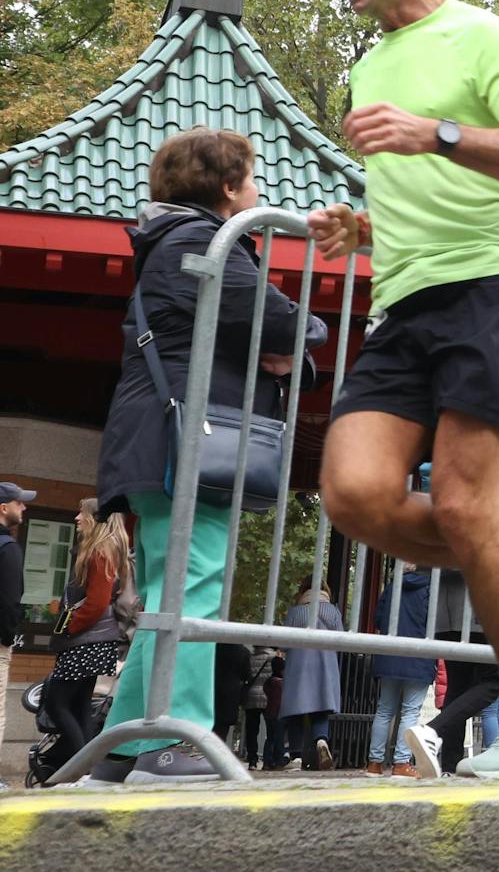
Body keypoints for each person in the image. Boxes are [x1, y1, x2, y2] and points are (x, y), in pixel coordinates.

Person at [309, 0, 499, 782]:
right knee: (352, 492)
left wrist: (435, 131)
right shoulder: (368, 67)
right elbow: (416, 200)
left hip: (489, 294)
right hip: (404, 303)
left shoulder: (480, 34)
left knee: (466, 505)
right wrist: (364, 229)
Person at [91, 128, 324, 785]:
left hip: (162, 437)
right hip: (186, 441)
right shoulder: (202, 242)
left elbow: (277, 335)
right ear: (227, 187)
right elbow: (288, 323)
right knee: (191, 588)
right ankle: (176, 738)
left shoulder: (170, 244)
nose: (257, 190)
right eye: (250, 177)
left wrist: (288, 348)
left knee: (176, 588)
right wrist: (296, 346)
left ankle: (120, 748)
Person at [405, 473, 499, 777]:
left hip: (444, 612)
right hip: (484, 604)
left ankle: (444, 764)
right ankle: (432, 731)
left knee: (458, 687)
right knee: (494, 681)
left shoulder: (442, 489)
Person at [41, 499, 131, 778]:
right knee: (79, 707)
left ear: (96, 519)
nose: (77, 517)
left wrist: (69, 627)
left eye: (82, 513)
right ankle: (84, 769)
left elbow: (95, 603)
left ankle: (81, 769)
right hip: (96, 642)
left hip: (87, 641)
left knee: (56, 702)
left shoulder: (100, 552)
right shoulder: (106, 550)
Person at [368, 565, 438, 777]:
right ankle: (401, 763)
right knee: (410, 711)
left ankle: (374, 763)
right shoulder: (431, 588)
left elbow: (378, 619)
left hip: (390, 654)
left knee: (384, 710)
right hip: (419, 655)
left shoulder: (392, 586)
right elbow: (433, 622)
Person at [280, 576, 342, 771]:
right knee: (321, 708)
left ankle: (296, 756)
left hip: (298, 666)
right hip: (325, 664)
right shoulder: (332, 611)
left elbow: (282, 644)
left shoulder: (295, 612)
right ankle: (321, 740)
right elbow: (341, 638)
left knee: (296, 711)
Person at [0, 482, 30, 780]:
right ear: (4, 508)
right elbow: (9, 601)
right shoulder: (8, 548)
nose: (24, 508)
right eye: (19, 503)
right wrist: (8, 638)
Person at [240, 647, 274, 771]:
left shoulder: (250, 658)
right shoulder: (272, 657)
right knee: (271, 729)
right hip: (268, 696)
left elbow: (245, 676)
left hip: (251, 697)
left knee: (252, 731)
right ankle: (268, 760)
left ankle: (252, 760)